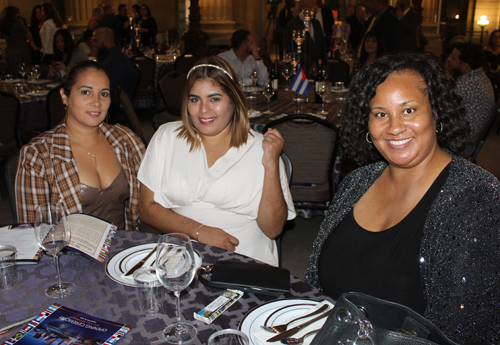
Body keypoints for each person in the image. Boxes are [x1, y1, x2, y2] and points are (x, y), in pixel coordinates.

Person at [306, 54, 499, 343]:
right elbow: (314, 287)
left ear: (437, 113)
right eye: (380, 114)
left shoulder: (475, 197)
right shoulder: (356, 183)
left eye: (409, 110)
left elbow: (465, 332)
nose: (394, 127)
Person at [138, 56, 295, 266]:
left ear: (233, 100)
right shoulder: (167, 137)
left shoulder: (261, 148)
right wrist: (199, 231)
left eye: (215, 99)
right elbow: (146, 209)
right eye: (195, 99)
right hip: (181, 255)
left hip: (244, 259)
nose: (203, 109)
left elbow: (273, 229)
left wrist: (271, 165)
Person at [15, 60, 146, 232]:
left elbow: (151, 204)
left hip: (124, 251)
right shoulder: (38, 155)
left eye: (104, 94)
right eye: (86, 92)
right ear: (64, 96)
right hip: (70, 256)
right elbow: (32, 231)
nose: (97, 102)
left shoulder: (126, 140)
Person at [445, 42, 495, 158]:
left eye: (453, 58)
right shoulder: (479, 78)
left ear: (465, 66)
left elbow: (441, 106)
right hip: (466, 139)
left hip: (459, 146)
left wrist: (447, 73)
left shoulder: (467, 85)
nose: (448, 59)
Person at [92, 27, 135, 120]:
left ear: (106, 40)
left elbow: (112, 89)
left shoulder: (116, 60)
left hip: (114, 109)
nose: (93, 44)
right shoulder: (107, 57)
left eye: (96, 41)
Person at [284, 0, 327, 78]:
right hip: (302, 71)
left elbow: (322, 46)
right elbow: (292, 50)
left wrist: (324, 64)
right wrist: (310, 63)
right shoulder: (292, 26)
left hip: (318, 71)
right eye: (313, 5)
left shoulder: (316, 23)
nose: (316, 7)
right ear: (304, 7)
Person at [0, 6, 33, 78]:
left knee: (13, 72)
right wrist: (23, 25)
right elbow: (29, 36)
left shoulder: (4, 26)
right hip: (20, 52)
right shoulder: (17, 25)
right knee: (23, 73)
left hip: (10, 52)